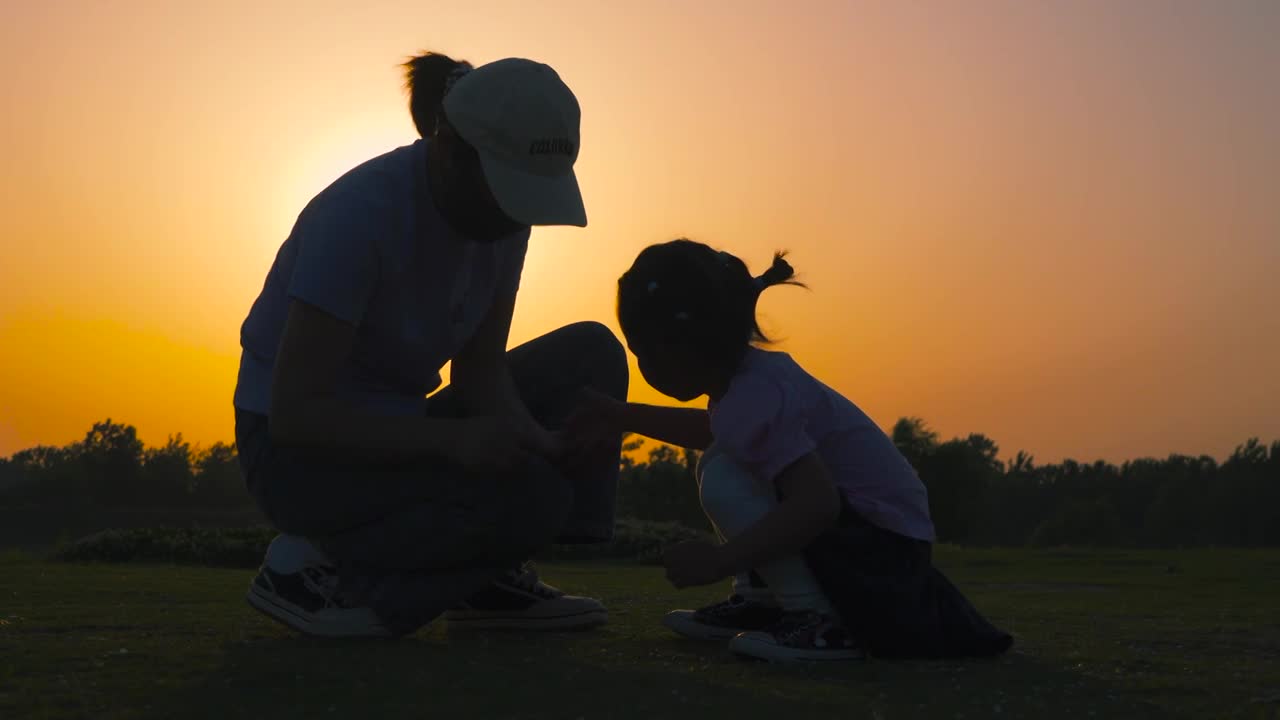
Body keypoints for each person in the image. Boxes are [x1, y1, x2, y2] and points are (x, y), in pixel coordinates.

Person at [232, 51, 628, 638]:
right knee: (537, 499)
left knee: (591, 357)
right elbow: (296, 416)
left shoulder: (504, 220)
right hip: (297, 459)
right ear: (449, 151)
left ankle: (484, 576)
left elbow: (480, 372)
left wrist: (539, 441)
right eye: (506, 192)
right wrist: (455, 441)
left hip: (401, 430)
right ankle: (313, 571)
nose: (515, 218)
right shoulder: (358, 218)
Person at [567, 239, 1013, 662]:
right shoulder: (747, 385)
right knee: (724, 457)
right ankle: (766, 601)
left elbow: (817, 503)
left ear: (683, 347)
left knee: (723, 472)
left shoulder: (756, 394)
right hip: (882, 540)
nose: (642, 367)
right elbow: (716, 430)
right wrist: (619, 415)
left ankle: (822, 619)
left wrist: (722, 560)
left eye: (643, 352)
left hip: (883, 555)